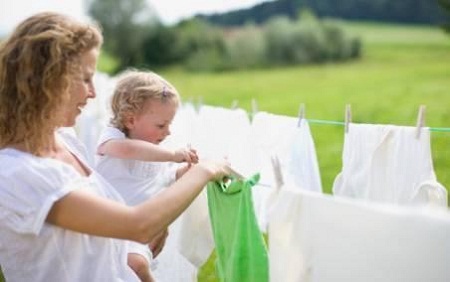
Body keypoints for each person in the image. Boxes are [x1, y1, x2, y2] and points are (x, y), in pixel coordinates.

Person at [0, 12, 230, 282]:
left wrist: (151, 228)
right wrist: (204, 170)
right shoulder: (16, 174)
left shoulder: (64, 139)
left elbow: (102, 229)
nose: (93, 92)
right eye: (85, 78)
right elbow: (138, 225)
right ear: (50, 81)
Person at [95, 70, 199, 279]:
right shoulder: (113, 138)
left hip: (138, 231)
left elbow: (166, 178)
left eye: (169, 124)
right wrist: (172, 155)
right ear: (131, 120)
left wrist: (188, 170)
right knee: (136, 265)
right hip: (107, 226)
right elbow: (128, 150)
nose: (168, 132)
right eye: (161, 125)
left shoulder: (155, 152)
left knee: (135, 265)